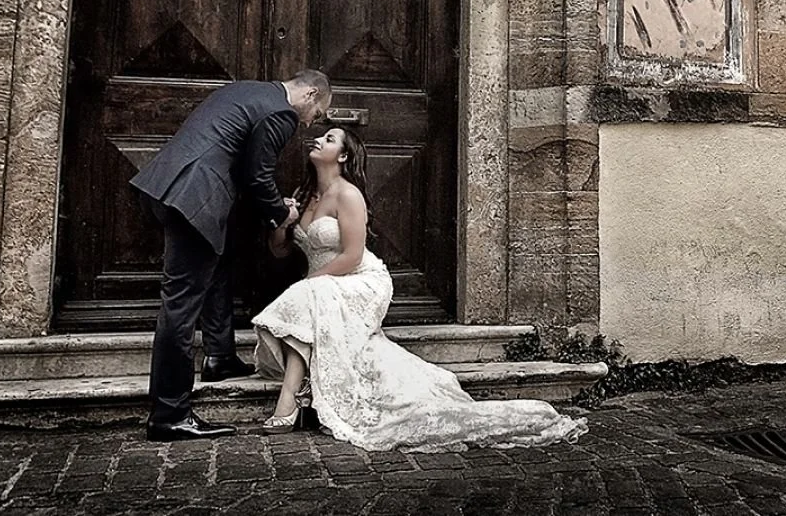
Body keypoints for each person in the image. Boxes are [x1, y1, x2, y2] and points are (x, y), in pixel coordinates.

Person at [252, 127, 588, 451]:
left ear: (342, 156)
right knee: (313, 301)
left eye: (329, 139)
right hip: (322, 286)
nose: (318, 140)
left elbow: (353, 256)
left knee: (311, 297)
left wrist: (312, 284)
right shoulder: (303, 195)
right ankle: (298, 394)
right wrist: (282, 225)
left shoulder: (348, 194)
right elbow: (280, 250)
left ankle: (288, 401)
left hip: (360, 281)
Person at [132, 69, 332, 441]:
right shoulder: (282, 112)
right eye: (317, 114)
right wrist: (280, 212)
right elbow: (257, 175)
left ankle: (219, 358)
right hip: (196, 194)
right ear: (310, 94)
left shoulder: (250, 92)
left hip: (178, 185)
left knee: (219, 268)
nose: (310, 124)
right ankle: (169, 414)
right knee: (180, 306)